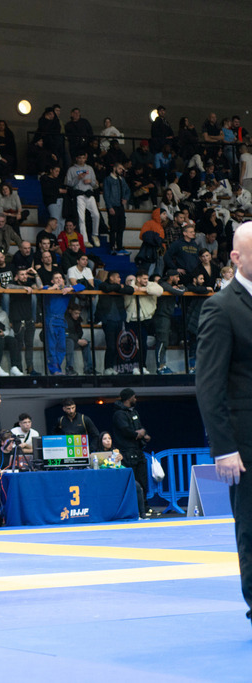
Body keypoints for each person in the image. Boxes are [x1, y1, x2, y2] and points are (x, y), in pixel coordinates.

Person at [195, 221, 252, 627]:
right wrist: (224, 448)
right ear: (235, 257)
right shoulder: (221, 307)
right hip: (245, 444)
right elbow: (209, 385)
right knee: (251, 528)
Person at [111, 388, 153, 518]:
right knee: (134, 483)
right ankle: (135, 509)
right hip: (126, 452)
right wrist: (137, 434)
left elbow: (139, 427)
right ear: (129, 398)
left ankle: (145, 508)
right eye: (134, 397)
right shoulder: (119, 414)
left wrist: (143, 434)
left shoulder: (134, 412)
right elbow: (126, 431)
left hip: (138, 451)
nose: (136, 399)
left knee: (143, 481)